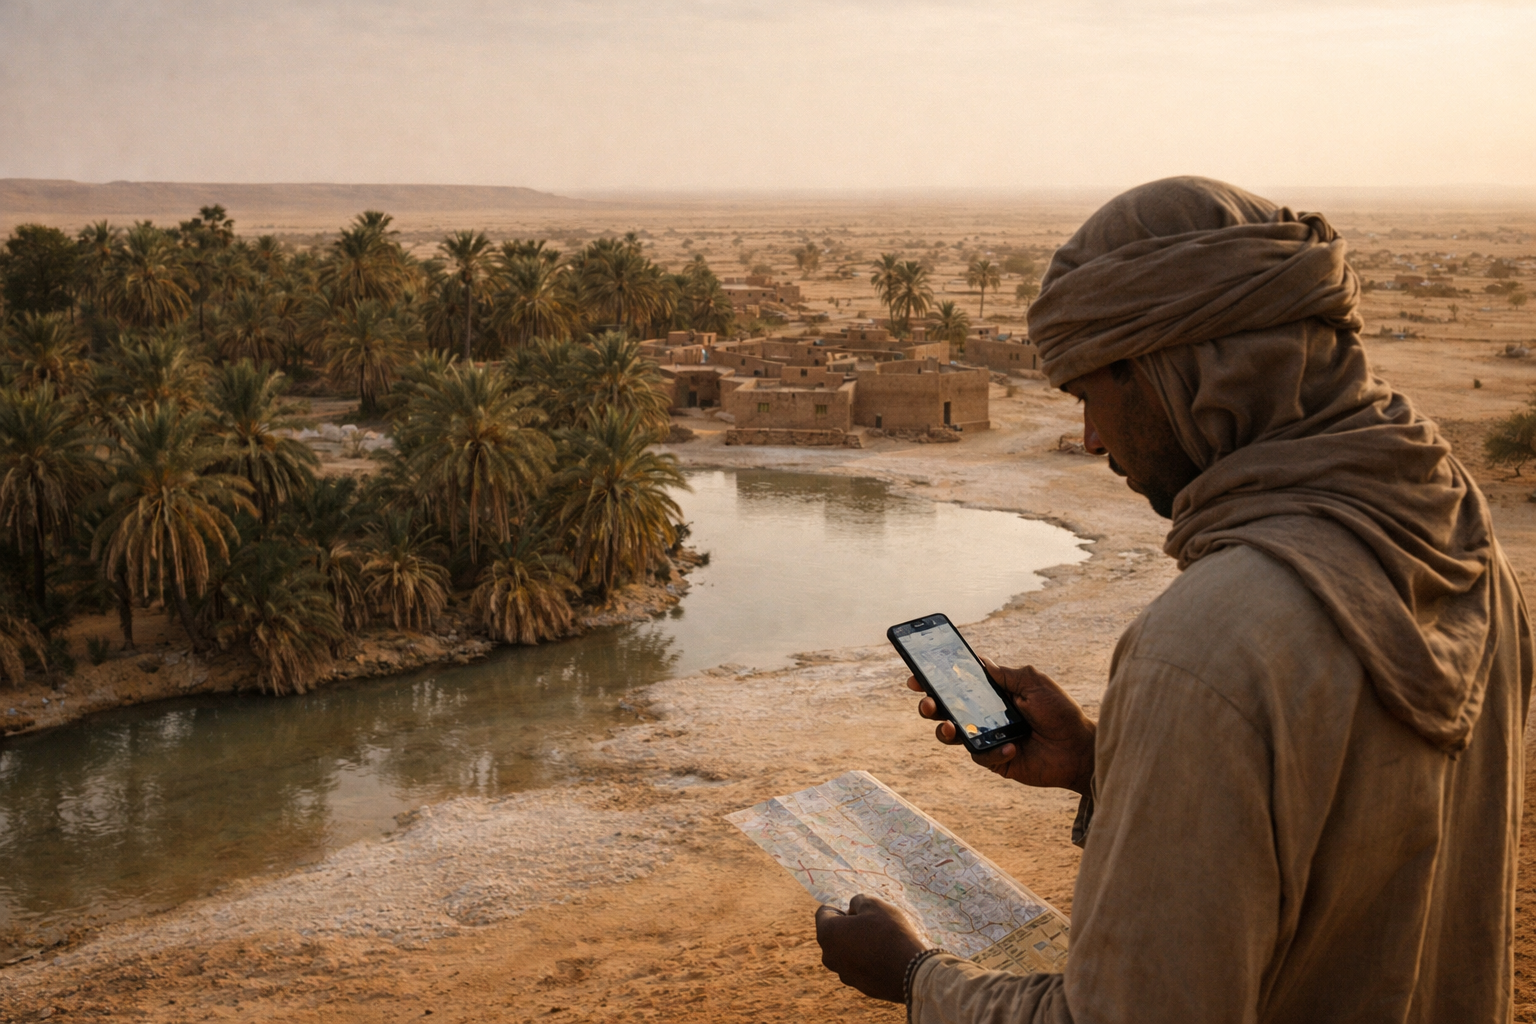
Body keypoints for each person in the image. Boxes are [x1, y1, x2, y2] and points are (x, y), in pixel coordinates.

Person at [813, 177, 1533, 1023]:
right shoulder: (1460, 549)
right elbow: (1350, 850)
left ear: (1179, 368)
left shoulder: (1205, 645)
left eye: (1089, 394)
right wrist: (1097, 765)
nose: (1087, 438)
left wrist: (912, 977)